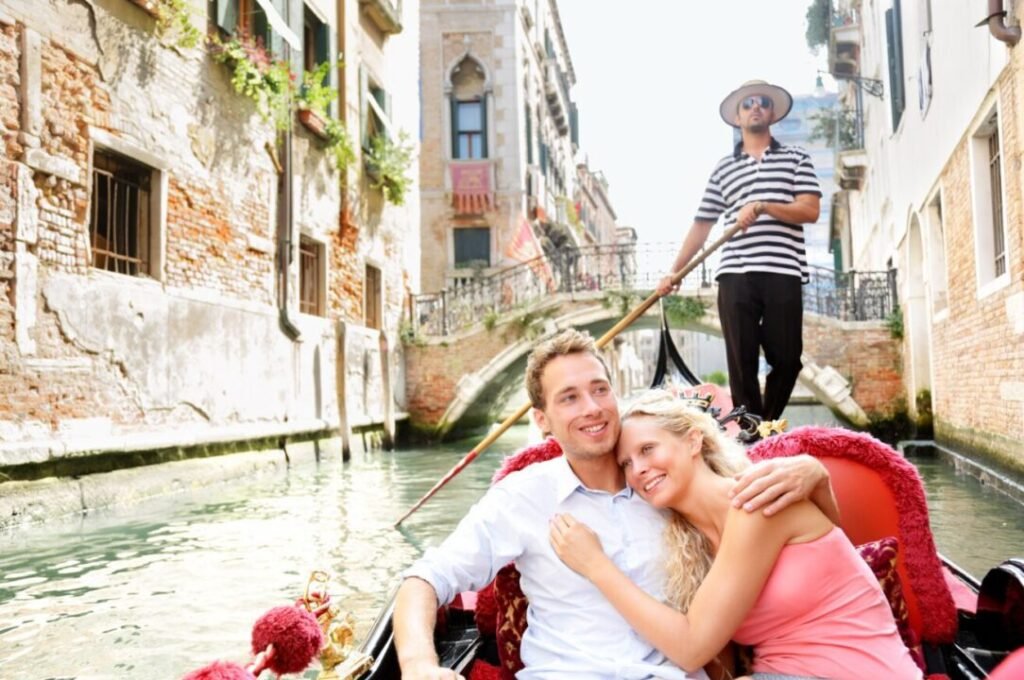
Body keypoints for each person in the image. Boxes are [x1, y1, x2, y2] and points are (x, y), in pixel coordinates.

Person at [394, 329, 840, 680]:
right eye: (569, 398)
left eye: (600, 389)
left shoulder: (669, 483)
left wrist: (814, 475)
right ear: (542, 421)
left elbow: (808, 546)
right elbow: (425, 579)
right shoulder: (523, 497)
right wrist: (417, 664)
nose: (592, 407)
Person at [549, 390, 923, 679]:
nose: (639, 470)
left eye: (648, 449)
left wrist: (596, 566)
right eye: (626, 464)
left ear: (694, 442)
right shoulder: (692, 545)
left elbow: (691, 646)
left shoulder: (755, 501)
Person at [657, 80, 822, 422]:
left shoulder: (796, 159)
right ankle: (751, 427)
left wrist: (763, 205)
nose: (755, 107)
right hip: (735, 273)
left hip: (783, 270)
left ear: (772, 112)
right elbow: (702, 225)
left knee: (788, 358)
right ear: (737, 116)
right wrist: (675, 272)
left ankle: (768, 421)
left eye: (762, 102)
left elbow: (809, 209)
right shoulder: (723, 168)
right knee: (741, 358)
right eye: (747, 104)